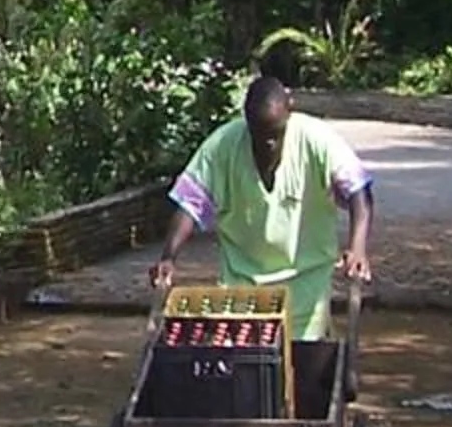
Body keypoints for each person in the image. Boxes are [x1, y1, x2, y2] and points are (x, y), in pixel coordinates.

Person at [147, 74, 376, 351]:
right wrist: (168, 257)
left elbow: (358, 193)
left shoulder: (317, 140)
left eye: (276, 135)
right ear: (246, 123)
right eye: (260, 136)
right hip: (242, 285)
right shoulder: (222, 146)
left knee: (298, 363)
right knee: (242, 365)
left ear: (289, 115)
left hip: (306, 282)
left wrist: (358, 248)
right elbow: (190, 203)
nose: (268, 144)